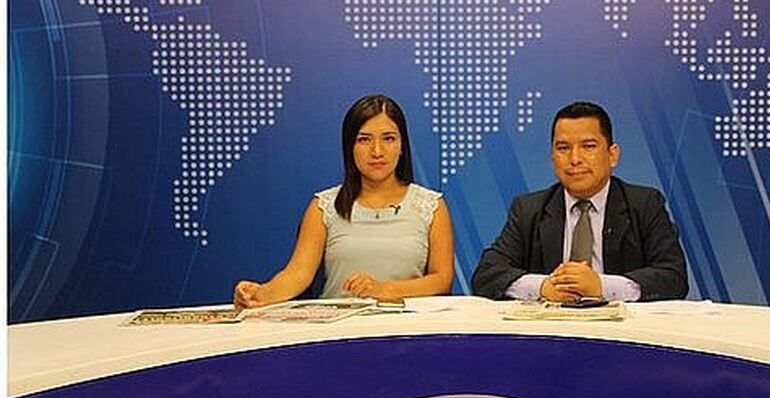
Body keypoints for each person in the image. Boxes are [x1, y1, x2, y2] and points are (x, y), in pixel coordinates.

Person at [234, 94, 454, 308]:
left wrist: (384, 289)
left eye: (388, 138)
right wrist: (261, 294)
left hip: (408, 326)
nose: (377, 151)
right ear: (349, 147)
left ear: (402, 145)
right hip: (339, 327)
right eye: (364, 140)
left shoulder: (431, 205)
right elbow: (298, 273)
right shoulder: (324, 206)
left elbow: (442, 280)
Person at [471, 101, 687, 302]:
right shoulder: (528, 209)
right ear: (552, 156)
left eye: (588, 146)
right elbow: (487, 274)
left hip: (622, 326)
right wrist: (543, 287)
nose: (575, 159)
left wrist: (601, 286)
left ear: (612, 155)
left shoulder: (645, 204)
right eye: (563, 148)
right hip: (551, 325)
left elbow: (673, 277)